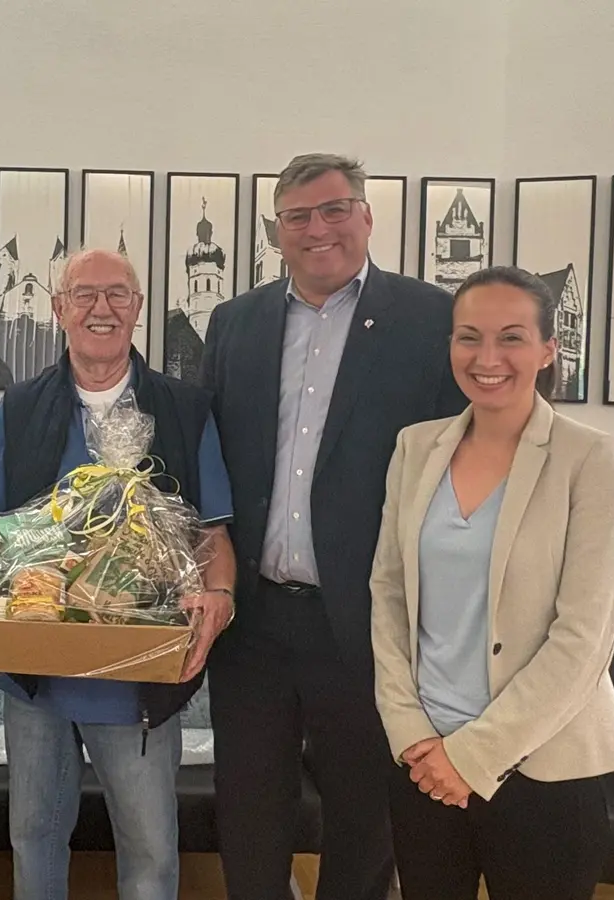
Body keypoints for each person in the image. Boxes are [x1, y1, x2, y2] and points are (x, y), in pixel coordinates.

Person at [200, 153, 469, 900]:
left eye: (334, 209)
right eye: (298, 216)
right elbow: (210, 461)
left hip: (367, 623)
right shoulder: (235, 322)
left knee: (364, 818)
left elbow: (462, 462)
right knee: (248, 810)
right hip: (253, 622)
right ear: (277, 231)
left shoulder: (431, 319)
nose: (318, 228)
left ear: (366, 215)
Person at [0, 248, 237, 900]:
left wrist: (220, 594)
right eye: (84, 294)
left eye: (117, 294)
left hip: (140, 674)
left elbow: (211, 535)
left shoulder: (184, 408)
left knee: (149, 851)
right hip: (35, 672)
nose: (101, 308)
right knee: (34, 838)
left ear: (138, 308)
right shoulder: (22, 407)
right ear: (59, 309)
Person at [370, 266, 614, 899]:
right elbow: (389, 596)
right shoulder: (415, 448)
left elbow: (584, 639)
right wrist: (411, 734)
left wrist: (473, 758)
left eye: (511, 337)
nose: (487, 358)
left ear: (547, 350)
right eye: (470, 337)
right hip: (424, 765)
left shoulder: (591, 458)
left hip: (541, 771)